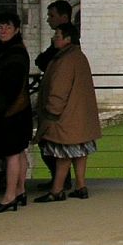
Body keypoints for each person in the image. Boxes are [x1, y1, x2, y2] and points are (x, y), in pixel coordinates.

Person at [33, 23, 101, 202]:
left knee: (63, 154)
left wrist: (50, 112)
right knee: (79, 152)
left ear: (67, 38)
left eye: (57, 35)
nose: (54, 38)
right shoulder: (78, 56)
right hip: (80, 116)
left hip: (66, 117)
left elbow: (58, 90)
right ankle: (81, 185)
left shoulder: (64, 60)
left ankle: (57, 190)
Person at [0, 11, 32, 214]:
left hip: (10, 111)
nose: (2, 30)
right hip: (15, 110)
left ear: (17, 30)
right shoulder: (9, 50)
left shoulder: (14, 54)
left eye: (7, 27)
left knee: (12, 153)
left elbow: (10, 86)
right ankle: (19, 191)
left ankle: (9, 196)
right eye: (0, 27)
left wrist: (0, 109)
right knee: (18, 152)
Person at [33, 0, 74, 190]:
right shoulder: (63, 44)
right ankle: (61, 181)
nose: (48, 20)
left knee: (51, 141)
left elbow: (42, 61)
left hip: (59, 105)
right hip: (62, 103)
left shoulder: (65, 45)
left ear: (64, 18)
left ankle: (59, 183)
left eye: (52, 16)